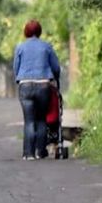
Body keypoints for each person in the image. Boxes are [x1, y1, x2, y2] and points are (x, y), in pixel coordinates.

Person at [13, 19, 62, 161]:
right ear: (39, 31)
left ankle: (28, 153)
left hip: (25, 86)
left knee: (29, 121)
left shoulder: (20, 47)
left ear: (26, 32)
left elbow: (16, 67)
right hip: (43, 86)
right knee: (41, 119)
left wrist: (20, 78)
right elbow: (56, 67)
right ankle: (41, 151)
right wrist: (55, 78)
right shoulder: (46, 46)